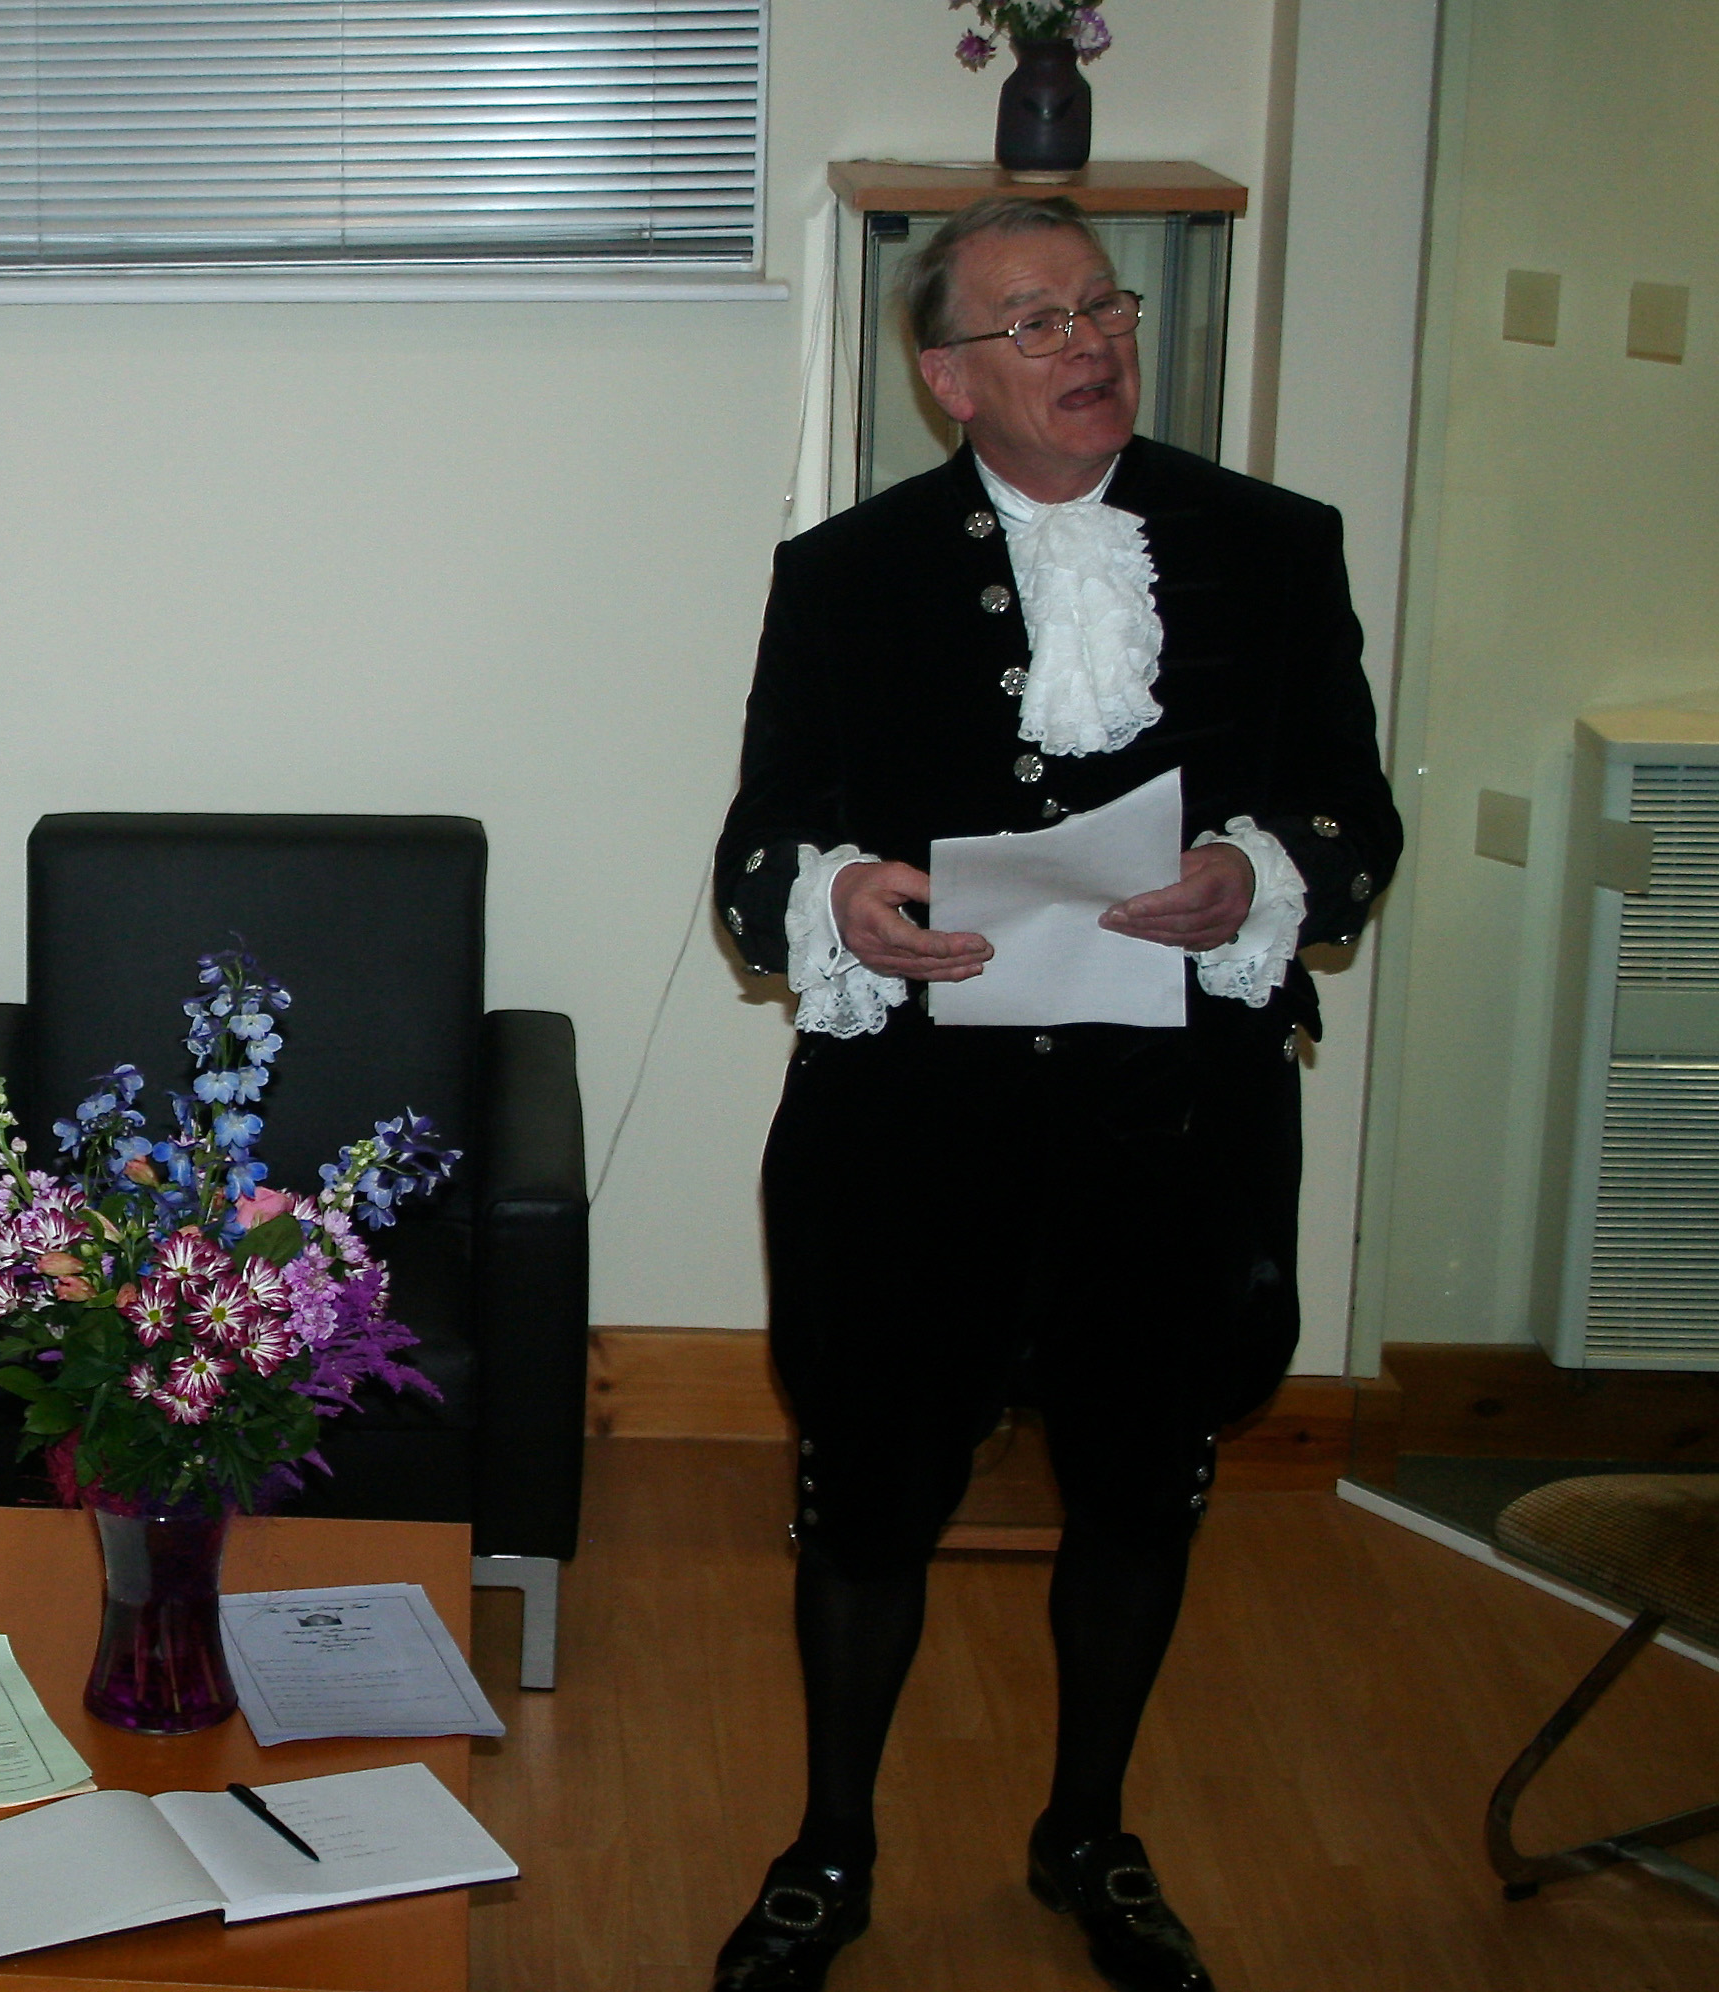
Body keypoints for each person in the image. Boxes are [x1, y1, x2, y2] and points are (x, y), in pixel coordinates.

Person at [706, 195, 1402, 1992]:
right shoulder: (845, 574)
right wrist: (840, 896)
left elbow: (1352, 818)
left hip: (1170, 1132)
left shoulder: (1272, 545)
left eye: (1103, 308)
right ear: (946, 378)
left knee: (1138, 1495)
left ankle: (1088, 1831)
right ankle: (830, 1845)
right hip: (909, 1137)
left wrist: (1255, 871)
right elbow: (761, 844)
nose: (1088, 343)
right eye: (1034, 322)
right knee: (867, 1501)